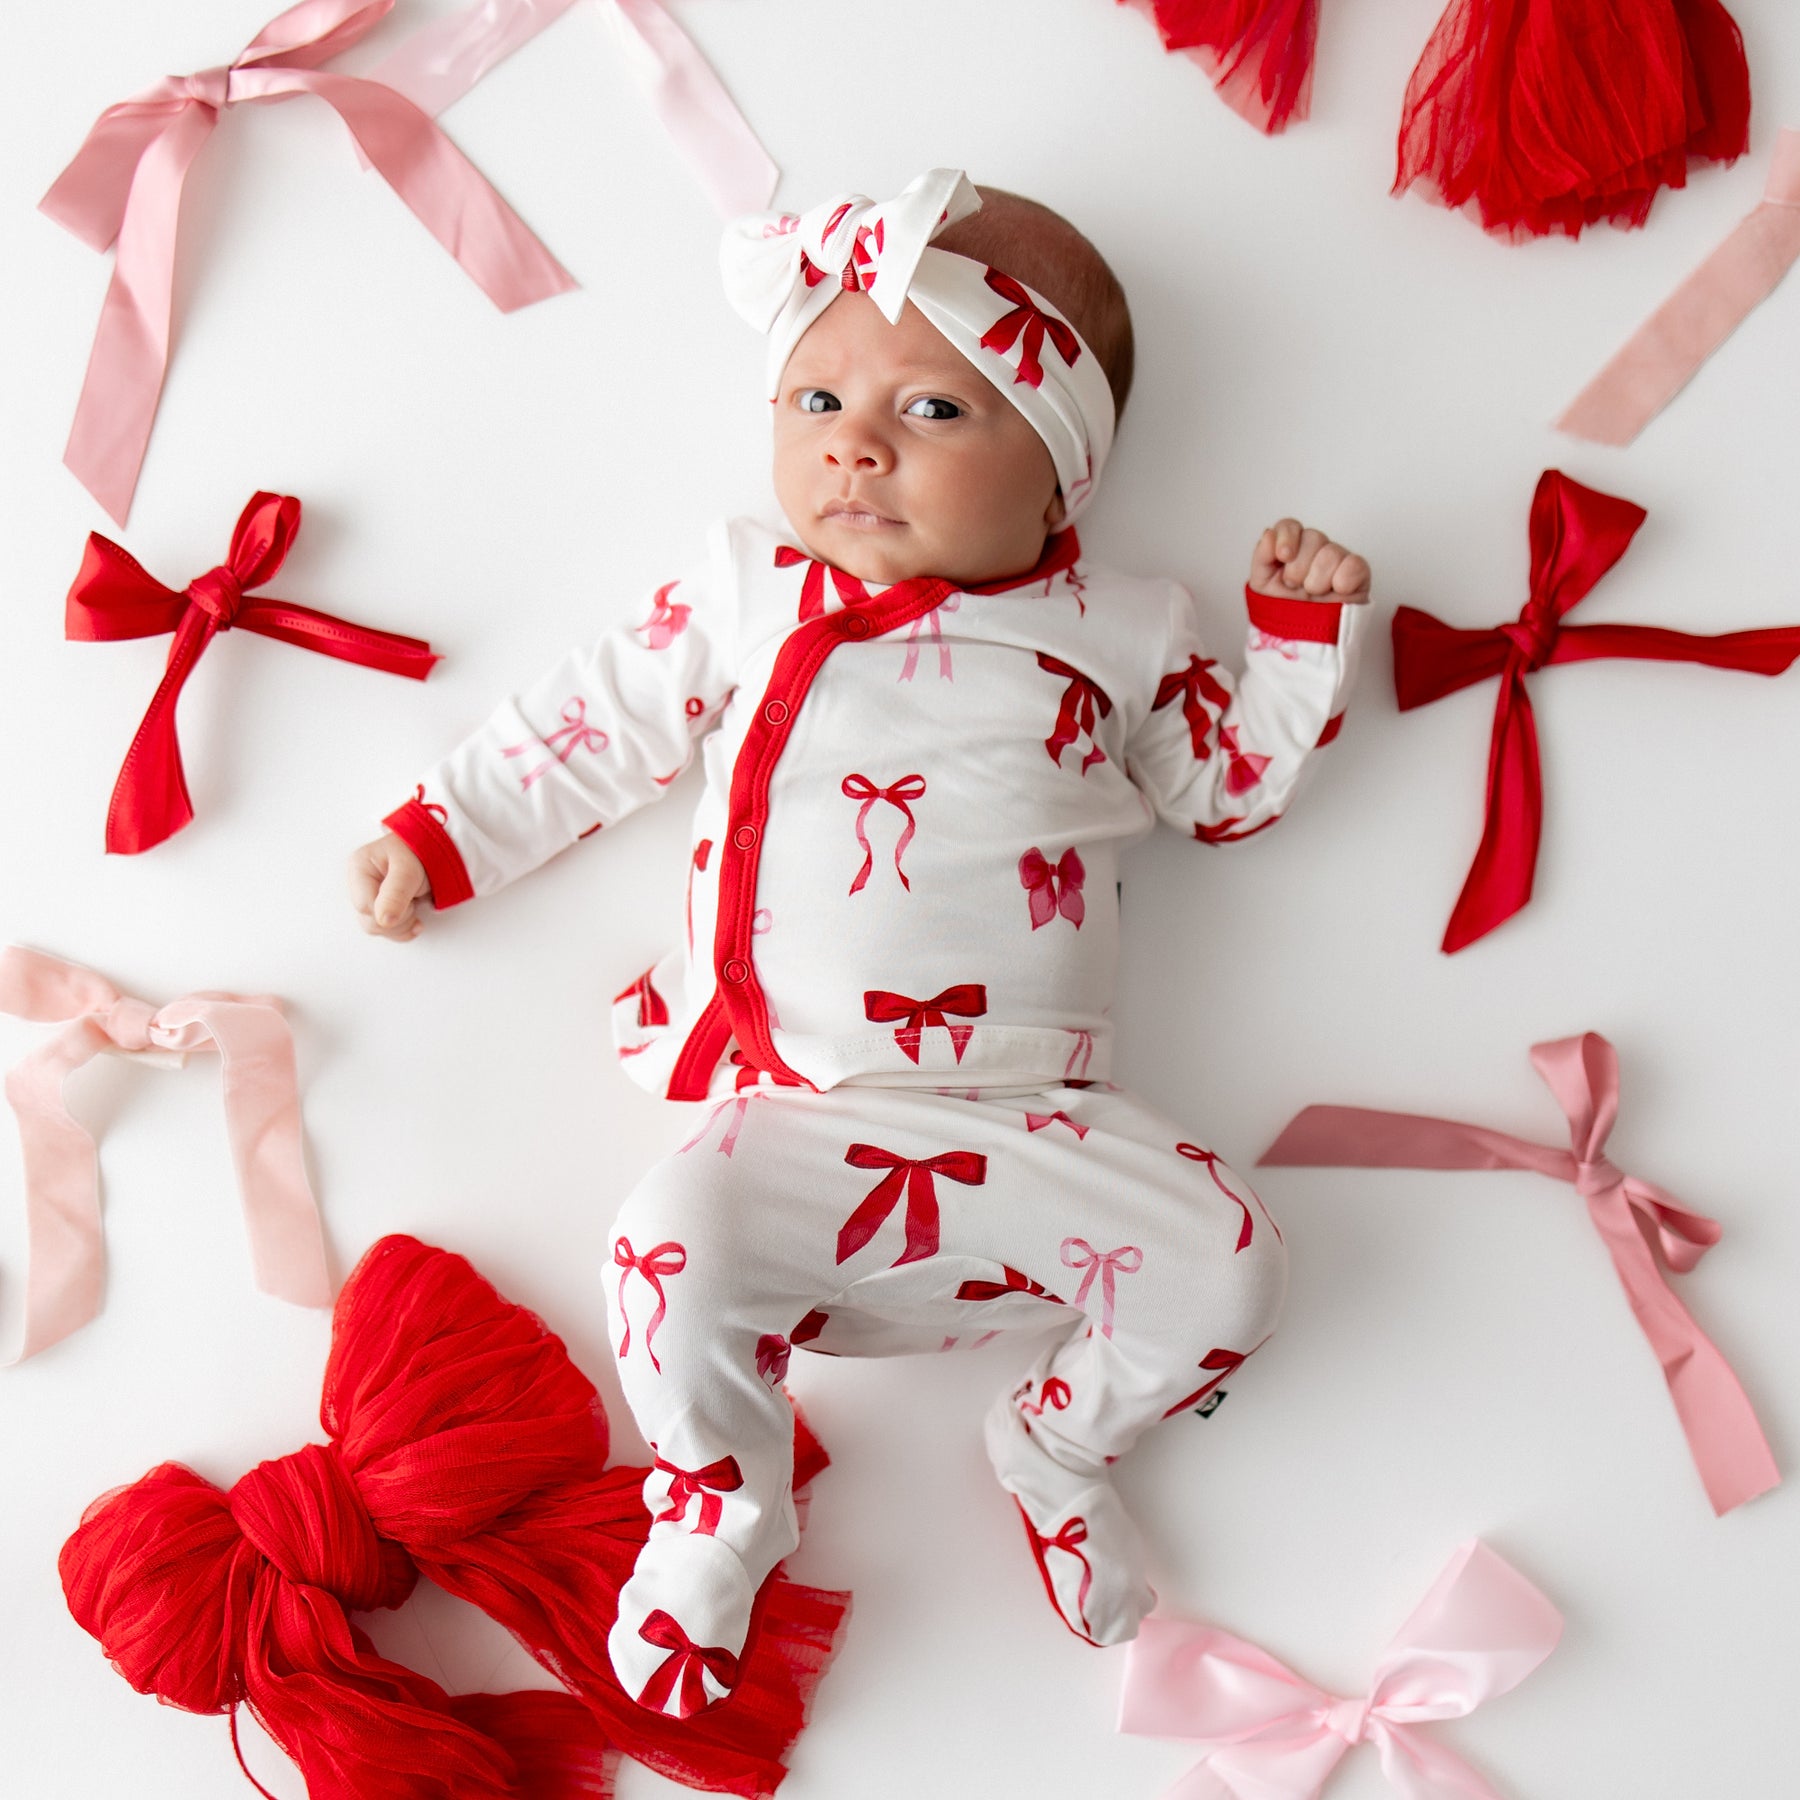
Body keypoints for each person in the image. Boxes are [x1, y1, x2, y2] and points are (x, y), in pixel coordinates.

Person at [348, 170, 1370, 1718]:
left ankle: (1060, 1441)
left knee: (1232, 1270)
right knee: (661, 1250)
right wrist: (442, 834)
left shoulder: (1120, 628)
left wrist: (1292, 649)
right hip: (798, 1120)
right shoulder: (749, 592)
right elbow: (594, 722)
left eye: (935, 413)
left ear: (1060, 477)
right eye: (818, 394)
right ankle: (722, 1502)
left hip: (1039, 1134)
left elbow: (1219, 793)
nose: (855, 444)